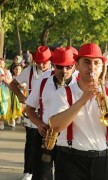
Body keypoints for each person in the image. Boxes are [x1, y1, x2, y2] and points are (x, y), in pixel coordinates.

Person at [48, 43, 108, 180]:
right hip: (70, 161)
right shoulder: (63, 93)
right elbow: (56, 125)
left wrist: (107, 102)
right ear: (77, 65)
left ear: (102, 67)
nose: (92, 67)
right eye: (86, 62)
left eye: (96, 63)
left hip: (102, 161)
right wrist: (82, 100)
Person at [25, 47, 77, 180]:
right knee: (42, 176)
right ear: (53, 65)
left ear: (74, 66)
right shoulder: (43, 82)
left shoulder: (78, 85)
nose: (64, 71)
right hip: (45, 135)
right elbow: (29, 108)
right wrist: (39, 124)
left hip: (69, 139)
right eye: (60, 67)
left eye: (68, 67)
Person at [9, 46, 53, 180]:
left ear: (50, 60)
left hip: (49, 115)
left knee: (48, 146)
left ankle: (44, 173)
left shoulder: (55, 71)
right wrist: (21, 98)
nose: (41, 64)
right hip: (32, 115)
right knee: (31, 144)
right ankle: (28, 171)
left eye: (44, 62)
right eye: (38, 61)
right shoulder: (29, 71)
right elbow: (12, 84)